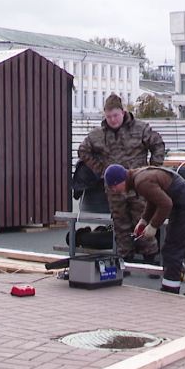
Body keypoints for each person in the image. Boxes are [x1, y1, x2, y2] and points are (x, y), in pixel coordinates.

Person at [78, 94, 165, 262]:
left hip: (139, 185)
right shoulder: (98, 135)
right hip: (114, 189)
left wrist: (152, 171)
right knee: (120, 224)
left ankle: (150, 258)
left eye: (115, 115)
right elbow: (83, 151)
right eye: (108, 116)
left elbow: (158, 144)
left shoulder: (140, 129)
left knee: (142, 220)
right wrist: (101, 170)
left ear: (123, 112)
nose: (112, 120)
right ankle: (125, 259)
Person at [103, 163, 185, 296]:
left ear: (120, 180)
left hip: (183, 204)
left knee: (172, 249)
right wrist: (144, 221)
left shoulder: (141, 182)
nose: (114, 190)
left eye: (113, 186)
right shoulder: (138, 177)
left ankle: (170, 289)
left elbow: (166, 204)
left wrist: (153, 226)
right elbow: (153, 200)